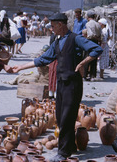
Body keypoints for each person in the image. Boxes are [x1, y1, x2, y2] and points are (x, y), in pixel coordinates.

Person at [12, 13, 102, 161]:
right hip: (61, 83)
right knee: (61, 117)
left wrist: (82, 63)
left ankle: (63, 152)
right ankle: (70, 146)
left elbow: (96, 49)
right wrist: (20, 67)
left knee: (67, 117)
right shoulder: (57, 41)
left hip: (73, 84)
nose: (51, 29)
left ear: (61, 25)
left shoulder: (76, 38)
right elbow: (43, 59)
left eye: (53, 26)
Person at [85, 11, 101, 81]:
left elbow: (91, 34)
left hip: (90, 41)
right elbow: (100, 34)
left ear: (88, 17)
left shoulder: (88, 24)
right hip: (96, 41)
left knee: (87, 58)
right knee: (94, 58)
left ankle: (85, 75)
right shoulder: (98, 24)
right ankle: (92, 75)